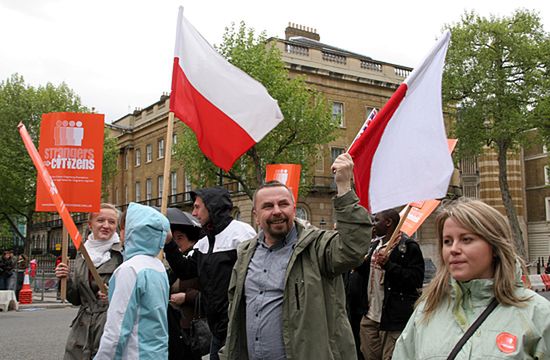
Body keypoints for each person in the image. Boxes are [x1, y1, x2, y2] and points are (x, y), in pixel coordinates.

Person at [220, 153, 373, 360]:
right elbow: (235, 314)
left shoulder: (317, 247)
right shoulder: (245, 253)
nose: (276, 211)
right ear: (256, 215)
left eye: (283, 204)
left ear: (294, 208)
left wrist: (344, 187)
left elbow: (353, 249)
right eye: (268, 206)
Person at [393, 198, 550, 359]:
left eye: (466, 239)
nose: (453, 249)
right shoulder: (425, 312)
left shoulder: (537, 313)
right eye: (447, 241)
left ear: (494, 246)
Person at [164, 187, 256, 360]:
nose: (194, 212)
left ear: (212, 206)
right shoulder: (204, 242)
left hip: (238, 328)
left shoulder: (242, 233)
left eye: (198, 207)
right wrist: (169, 243)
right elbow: (185, 271)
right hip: (215, 328)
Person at [95, 202, 171, 359]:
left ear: (129, 232)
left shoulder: (129, 270)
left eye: (122, 228)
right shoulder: (158, 266)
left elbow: (116, 331)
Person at [55, 203, 122, 360]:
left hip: (109, 326)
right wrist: (65, 280)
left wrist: (113, 296)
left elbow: (133, 294)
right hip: (82, 330)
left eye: (112, 222)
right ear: (90, 225)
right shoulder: (82, 253)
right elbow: (75, 299)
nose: (106, 226)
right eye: (101, 220)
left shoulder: (123, 254)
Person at [357, 209, 424, 360]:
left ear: (388, 222)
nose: (373, 224)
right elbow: (363, 273)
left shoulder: (407, 247)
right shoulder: (375, 246)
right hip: (370, 317)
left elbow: (415, 280)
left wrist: (389, 265)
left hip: (392, 320)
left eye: (376, 220)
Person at [165, 210, 204, 360]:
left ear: (192, 239)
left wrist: (187, 297)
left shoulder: (198, 262)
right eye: (173, 239)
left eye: (180, 238)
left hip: (196, 333)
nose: (176, 243)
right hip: (176, 331)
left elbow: (214, 297)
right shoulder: (173, 266)